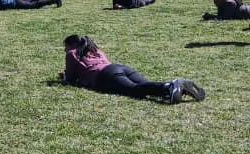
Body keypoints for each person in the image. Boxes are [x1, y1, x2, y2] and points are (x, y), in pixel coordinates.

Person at [60, 34, 204, 103]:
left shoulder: (72, 53)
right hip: (118, 67)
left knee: (134, 90)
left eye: (65, 46)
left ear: (70, 45)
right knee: (144, 86)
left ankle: (169, 87)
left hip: (104, 76)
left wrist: (65, 77)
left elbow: (71, 79)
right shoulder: (94, 49)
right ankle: (175, 87)